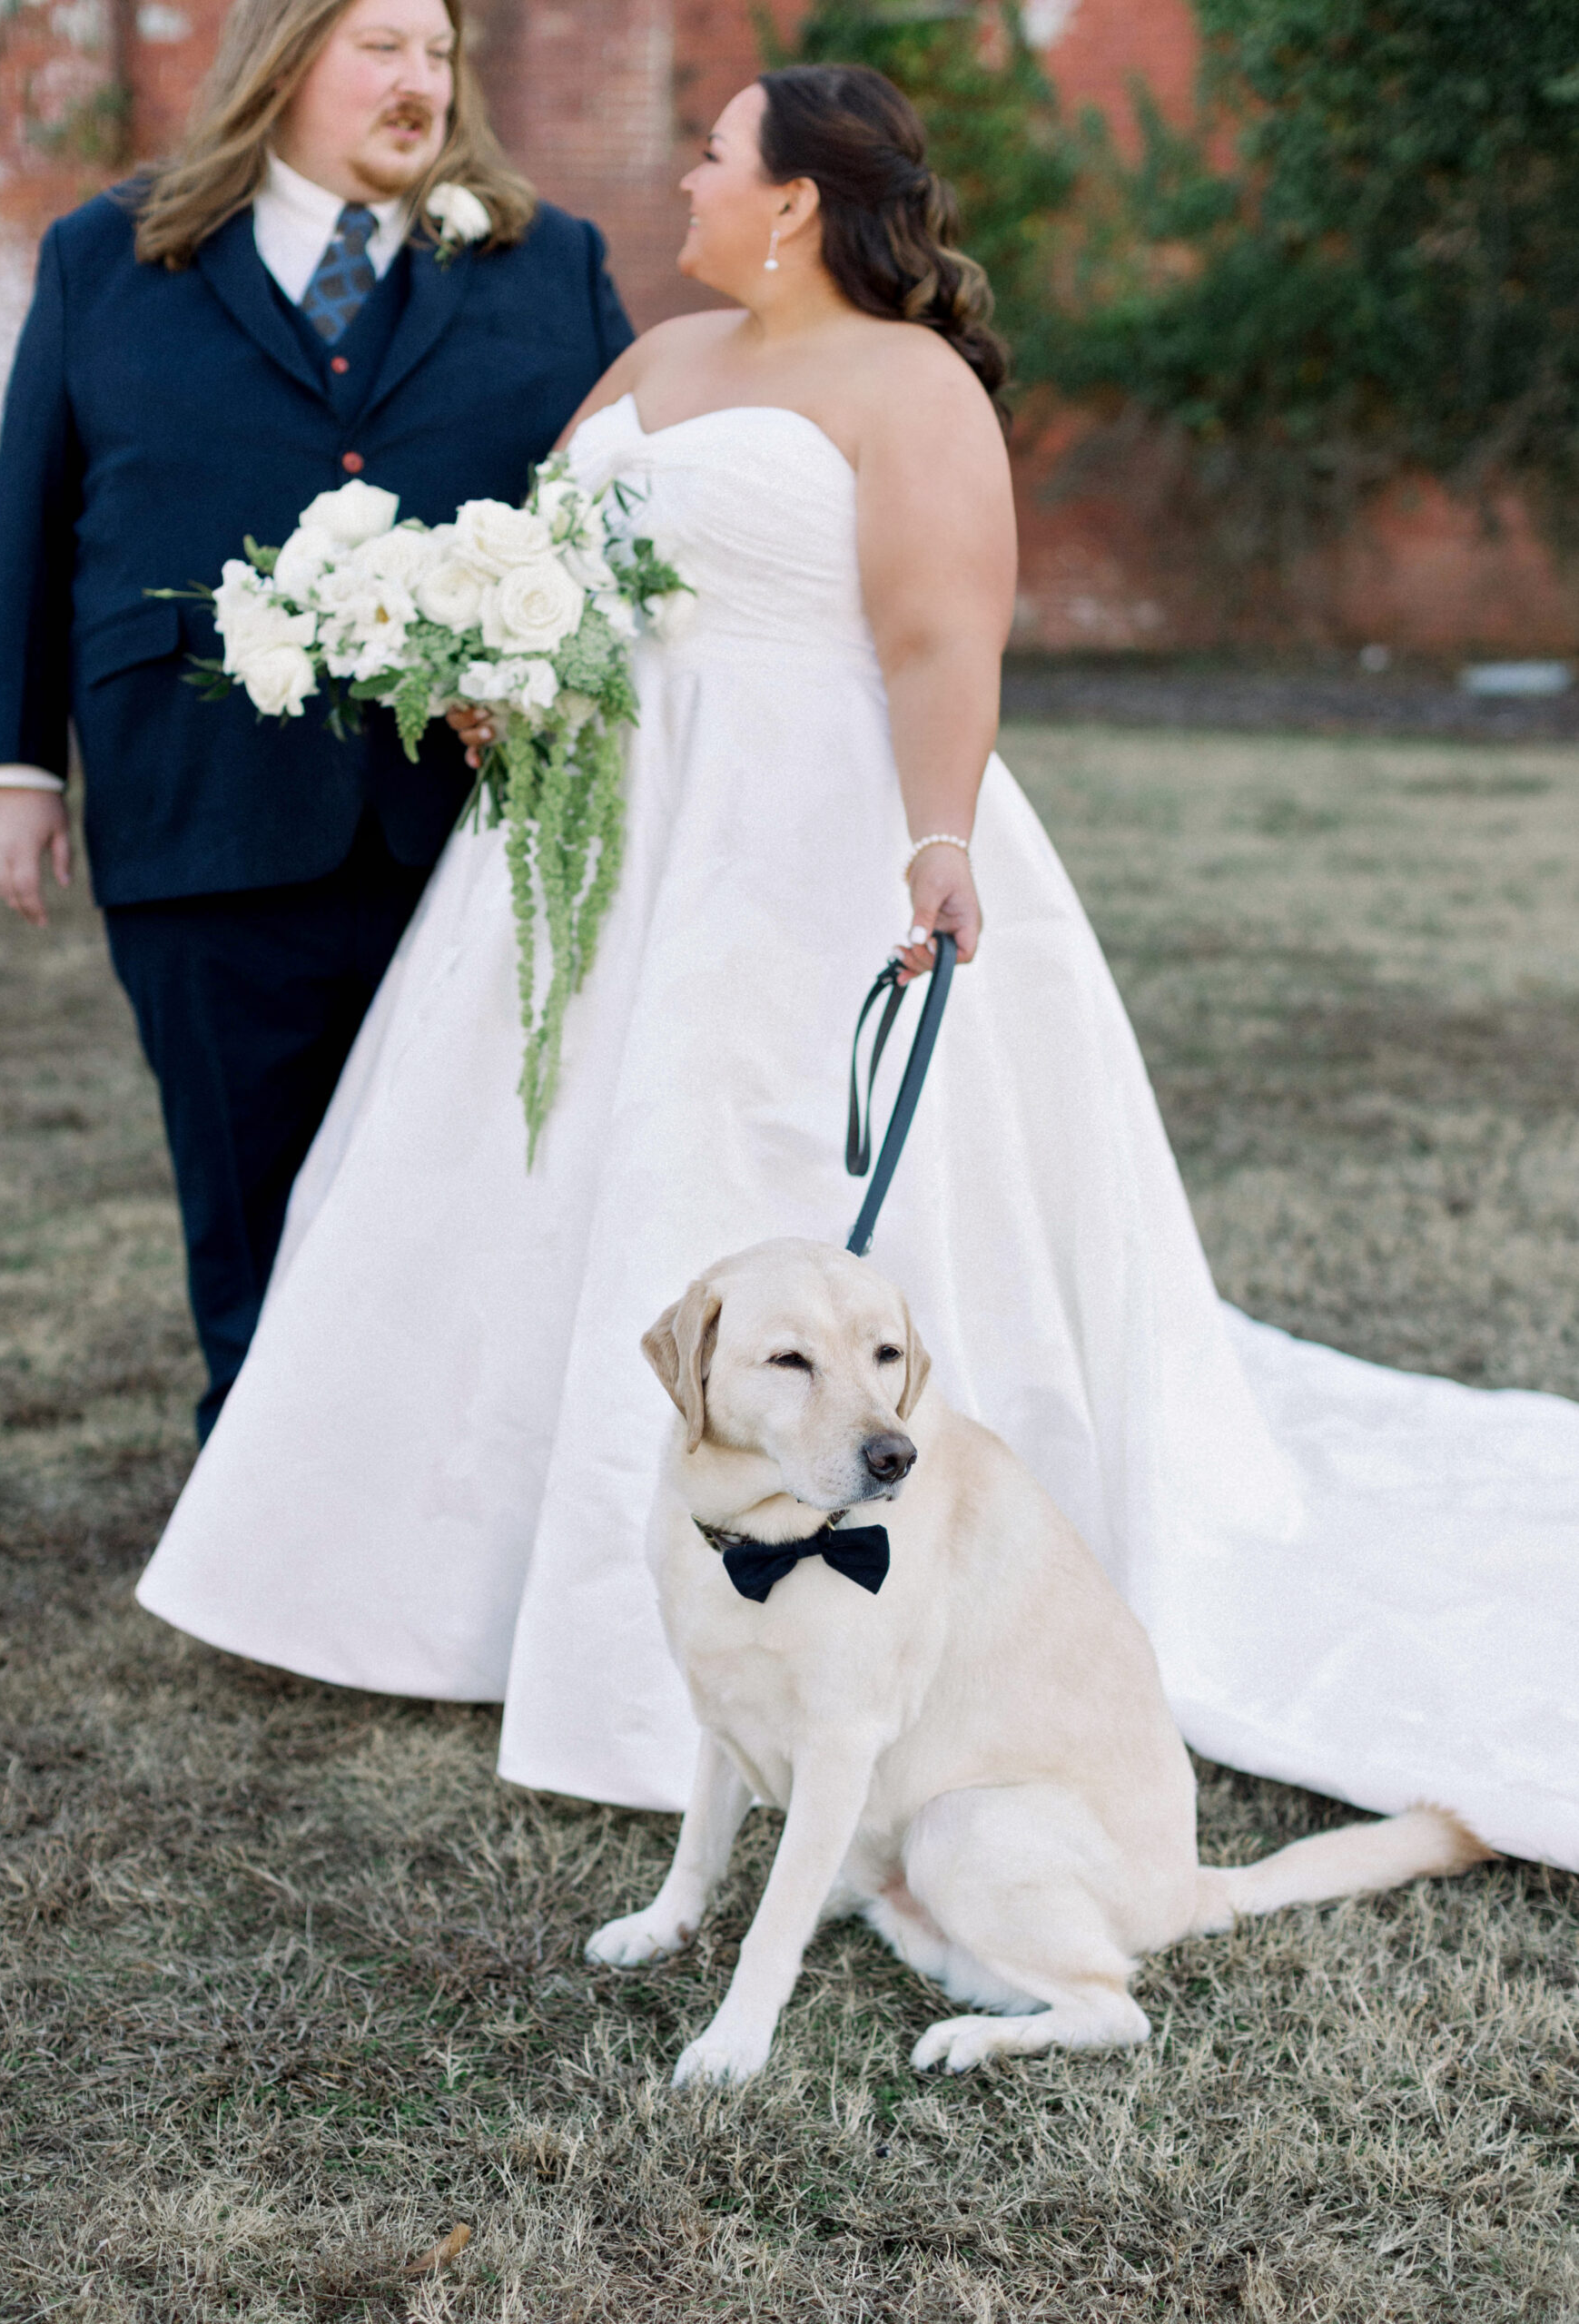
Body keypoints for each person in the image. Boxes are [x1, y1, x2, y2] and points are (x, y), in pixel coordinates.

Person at [136, 68, 1579, 1873]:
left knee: (745, 1156)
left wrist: (936, 839)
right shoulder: (653, 360)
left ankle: (789, 1599)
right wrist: (483, 657)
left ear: (798, 198)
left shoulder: (907, 388)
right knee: (514, 1188)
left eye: (715, 152)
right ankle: (464, 1583)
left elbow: (933, 634)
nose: (682, 171)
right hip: (600, 836)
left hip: (804, 837)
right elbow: (552, 558)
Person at [0, 0, 633, 1440]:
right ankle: (255, 1496)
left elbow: (619, 520)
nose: (420, 83)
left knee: (461, 1184)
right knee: (244, 1183)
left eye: (439, 55)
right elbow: (38, 511)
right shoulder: (111, 253)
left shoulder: (551, 263)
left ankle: (441, 1493)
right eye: (381, 46)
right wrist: (12, 763)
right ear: (284, 57)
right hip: (196, 803)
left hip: (467, 817)